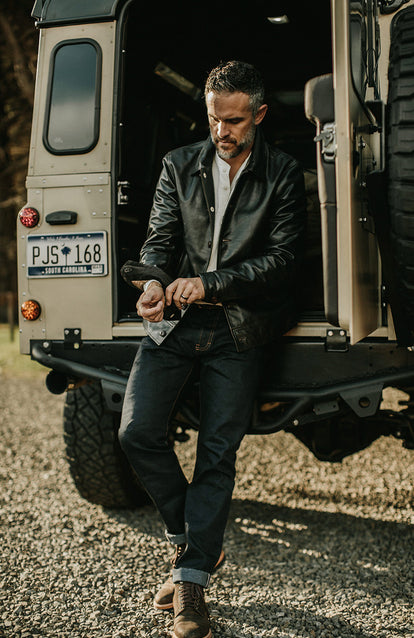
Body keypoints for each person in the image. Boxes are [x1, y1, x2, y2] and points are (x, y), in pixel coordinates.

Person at [118, 60, 306, 638]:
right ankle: (189, 541)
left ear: (259, 115)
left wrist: (211, 282)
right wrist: (151, 284)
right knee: (136, 432)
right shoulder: (180, 164)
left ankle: (192, 586)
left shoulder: (283, 172)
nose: (222, 131)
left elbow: (282, 260)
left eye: (234, 121)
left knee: (216, 453)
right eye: (213, 119)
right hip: (175, 324)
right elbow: (159, 241)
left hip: (240, 327)